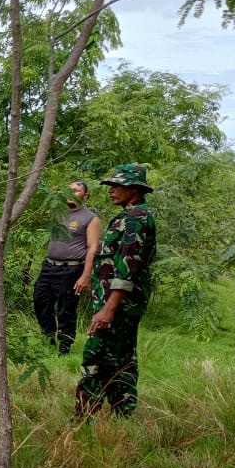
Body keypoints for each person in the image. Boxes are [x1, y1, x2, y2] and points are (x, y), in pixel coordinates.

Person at [75, 165, 157, 420]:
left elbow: (128, 267)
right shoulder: (128, 216)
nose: (111, 190)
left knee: (95, 356)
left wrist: (108, 309)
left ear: (134, 189)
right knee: (121, 359)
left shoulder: (135, 218)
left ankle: (83, 419)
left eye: (117, 185)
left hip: (118, 306)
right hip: (116, 304)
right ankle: (124, 415)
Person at [32, 180, 100, 354]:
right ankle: (48, 339)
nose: (71, 194)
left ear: (85, 196)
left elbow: (93, 248)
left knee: (65, 309)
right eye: (68, 190)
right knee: (41, 302)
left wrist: (85, 276)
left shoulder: (90, 218)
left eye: (76, 191)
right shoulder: (57, 212)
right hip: (49, 267)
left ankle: (64, 347)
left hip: (71, 270)